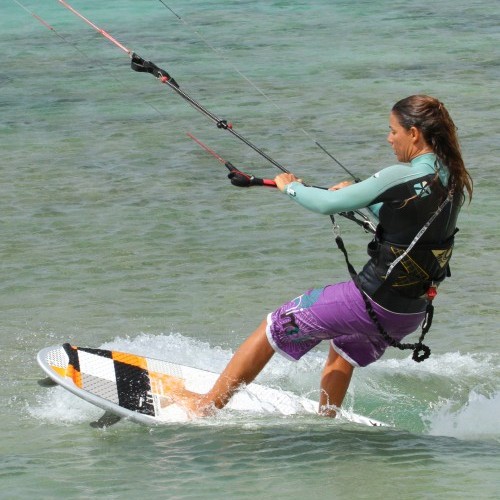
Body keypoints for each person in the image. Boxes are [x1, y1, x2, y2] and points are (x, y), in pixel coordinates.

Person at [173, 95, 473, 417]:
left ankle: (205, 407)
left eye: (393, 131)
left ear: (414, 133)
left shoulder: (399, 176)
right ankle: (326, 420)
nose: (389, 139)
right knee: (343, 348)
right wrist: (354, 198)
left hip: (372, 302)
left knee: (273, 326)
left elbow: (325, 205)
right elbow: (406, 222)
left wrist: (289, 186)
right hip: (409, 313)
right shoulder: (452, 177)